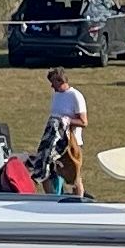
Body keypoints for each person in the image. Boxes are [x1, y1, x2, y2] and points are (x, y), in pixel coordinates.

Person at [41, 68, 89, 199]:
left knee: (74, 176)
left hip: (72, 143)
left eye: (53, 82)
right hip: (55, 142)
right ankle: (52, 199)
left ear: (60, 80)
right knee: (45, 171)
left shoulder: (75, 96)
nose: (51, 86)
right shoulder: (56, 95)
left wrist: (67, 121)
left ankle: (78, 199)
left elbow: (84, 122)